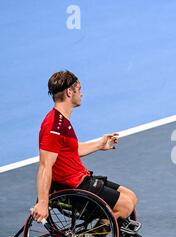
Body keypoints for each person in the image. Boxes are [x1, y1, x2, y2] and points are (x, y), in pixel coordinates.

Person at [31, 70, 137, 225]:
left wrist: (100, 144)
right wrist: (42, 202)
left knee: (131, 196)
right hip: (73, 186)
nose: (82, 93)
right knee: (125, 205)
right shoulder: (54, 126)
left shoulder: (61, 120)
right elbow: (45, 165)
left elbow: (70, 151)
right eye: (79, 89)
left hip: (81, 178)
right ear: (69, 92)